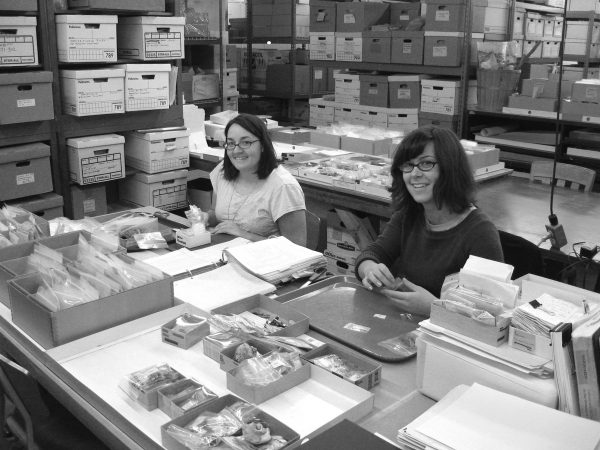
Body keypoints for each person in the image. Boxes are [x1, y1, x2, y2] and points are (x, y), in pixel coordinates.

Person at [355, 125, 503, 316]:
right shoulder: (409, 215)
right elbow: (372, 253)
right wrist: (370, 269)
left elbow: (490, 315)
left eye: (426, 163)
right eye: (408, 165)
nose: (415, 173)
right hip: (402, 324)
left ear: (450, 168)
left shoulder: (480, 233)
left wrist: (434, 307)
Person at [207, 114, 307, 246]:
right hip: (226, 254)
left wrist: (245, 234)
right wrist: (205, 218)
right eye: (231, 143)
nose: (236, 150)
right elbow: (216, 214)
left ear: (263, 145)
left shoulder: (283, 187)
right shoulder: (223, 172)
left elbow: (296, 249)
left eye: (246, 142)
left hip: (267, 263)